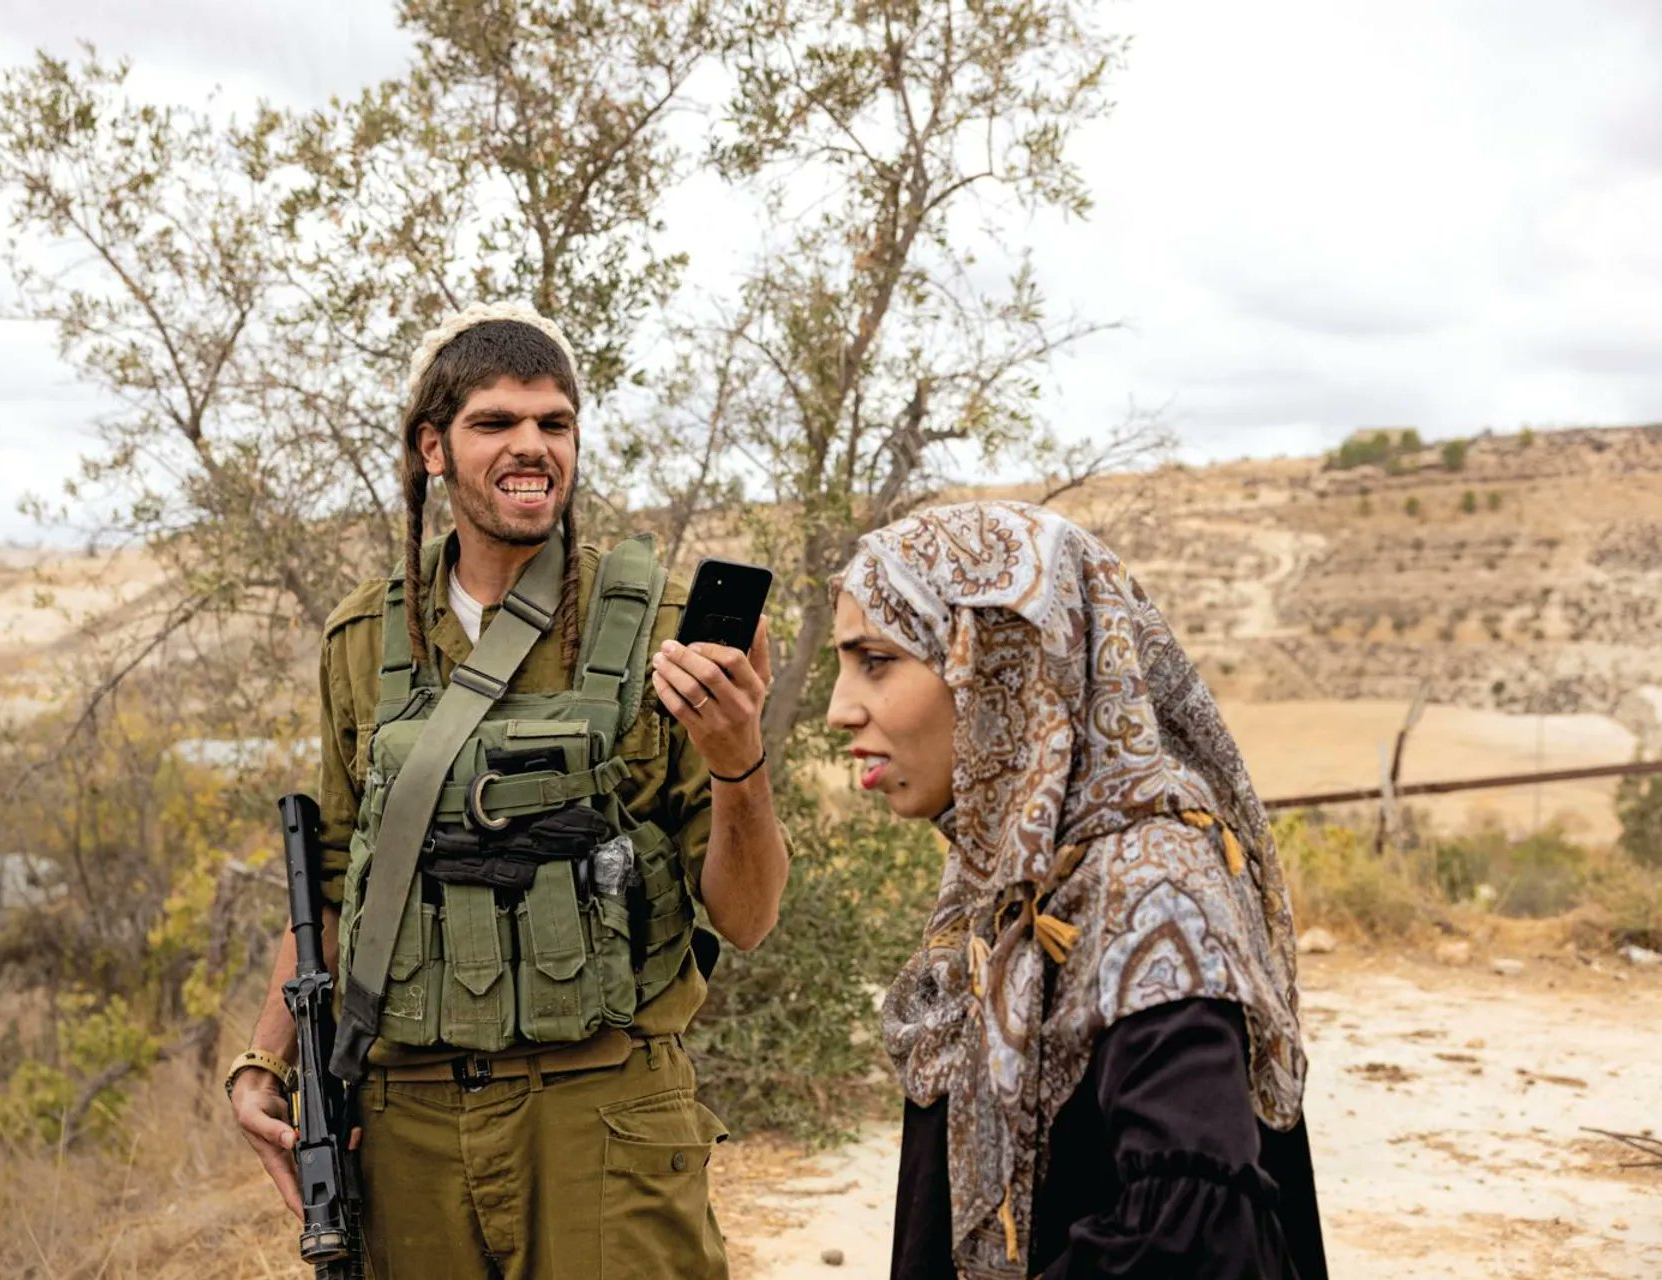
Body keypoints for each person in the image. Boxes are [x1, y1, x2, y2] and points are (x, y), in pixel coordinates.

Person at [227, 302, 791, 1278]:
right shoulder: (364, 638)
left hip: (604, 1111)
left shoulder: (663, 626)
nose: (532, 445)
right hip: (404, 1124)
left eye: (554, 423)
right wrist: (265, 1061)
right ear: (432, 448)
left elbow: (747, 917)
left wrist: (740, 758)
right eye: (495, 421)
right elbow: (338, 880)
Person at [827, 500, 1327, 1279]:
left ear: (1002, 664)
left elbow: (1199, 1232)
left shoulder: (1153, 886)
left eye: (877, 661)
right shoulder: (1015, 865)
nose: (839, 708)